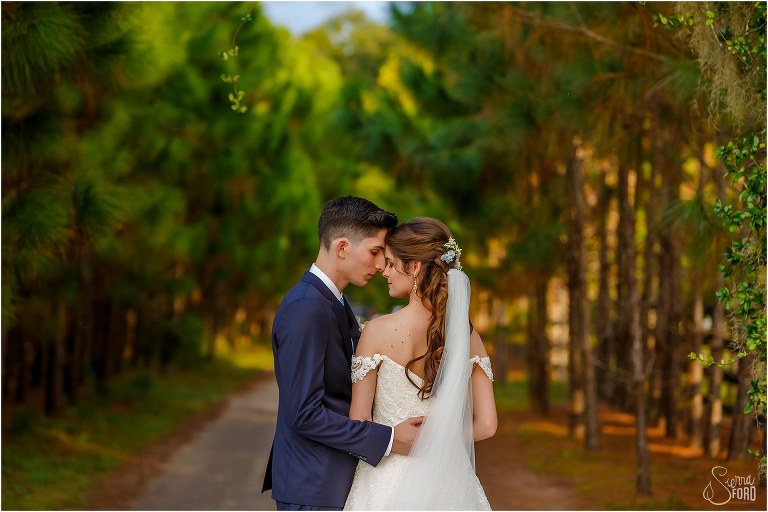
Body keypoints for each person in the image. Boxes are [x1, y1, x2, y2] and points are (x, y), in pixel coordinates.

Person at [262, 196, 424, 511]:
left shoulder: (332, 302)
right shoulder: (306, 308)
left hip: (330, 482)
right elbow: (303, 414)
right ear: (342, 248)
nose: (380, 266)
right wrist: (389, 439)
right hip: (313, 486)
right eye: (375, 252)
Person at [343, 217, 497, 510]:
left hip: (384, 482)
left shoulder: (376, 332)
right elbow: (487, 425)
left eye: (390, 263)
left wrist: (392, 440)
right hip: (449, 481)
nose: (384, 271)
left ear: (414, 267)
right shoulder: (467, 335)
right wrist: (436, 439)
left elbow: (358, 423)